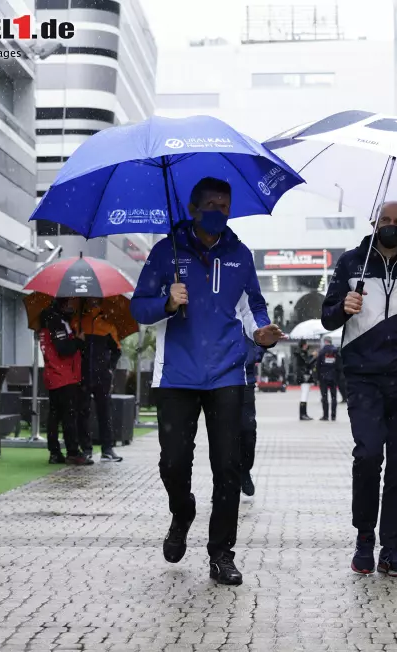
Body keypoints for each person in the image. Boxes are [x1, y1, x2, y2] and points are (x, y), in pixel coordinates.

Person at [130, 177, 283, 586]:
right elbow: (137, 309)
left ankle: (222, 554)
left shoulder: (239, 254)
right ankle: (182, 513)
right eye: (212, 203)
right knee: (173, 463)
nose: (220, 210)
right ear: (194, 208)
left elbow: (254, 308)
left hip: (227, 374)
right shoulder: (166, 252)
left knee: (228, 468)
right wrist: (166, 300)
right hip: (176, 375)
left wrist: (263, 331)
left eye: (225, 204)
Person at [322, 200, 397, 578]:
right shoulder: (350, 263)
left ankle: (391, 548)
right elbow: (327, 319)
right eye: (385, 220)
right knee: (368, 454)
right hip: (362, 377)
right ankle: (364, 539)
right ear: (374, 222)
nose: (391, 226)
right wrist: (344, 307)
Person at [39, 298, 92, 466]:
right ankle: (72, 452)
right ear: (61, 304)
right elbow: (64, 349)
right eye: (69, 303)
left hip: (55, 375)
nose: (72, 307)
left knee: (55, 415)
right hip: (63, 376)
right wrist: (78, 340)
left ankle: (55, 452)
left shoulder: (51, 321)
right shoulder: (56, 322)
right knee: (69, 415)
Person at [73, 299, 124, 463]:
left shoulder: (108, 325)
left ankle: (107, 449)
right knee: (83, 412)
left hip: (103, 376)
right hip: (82, 374)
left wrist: (110, 368)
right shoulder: (78, 322)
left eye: (96, 300)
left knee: (105, 412)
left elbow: (117, 351)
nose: (93, 302)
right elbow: (72, 348)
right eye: (91, 299)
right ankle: (86, 449)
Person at [240, 341, 262, 497]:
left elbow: (262, 336)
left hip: (245, 382)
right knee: (222, 435)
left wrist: (254, 352)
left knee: (248, 431)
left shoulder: (247, 316)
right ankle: (221, 483)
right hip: (219, 382)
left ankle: (245, 469)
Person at [316, 336, 340, 421]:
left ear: (325, 341)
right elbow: (339, 365)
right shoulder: (336, 351)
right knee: (334, 397)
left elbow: (318, 365)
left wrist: (318, 377)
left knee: (324, 397)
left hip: (323, 377)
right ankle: (333, 415)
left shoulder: (322, 351)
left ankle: (325, 416)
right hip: (333, 377)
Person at [294, 341, 316, 421]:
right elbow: (307, 363)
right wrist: (313, 357)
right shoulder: (301, 353)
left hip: (304, 376)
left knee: (305, 395)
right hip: (304, 376)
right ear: (303, 345)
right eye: (306, 344)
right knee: (304, 395)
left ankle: (304, 414)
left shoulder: (302, 353)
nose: (307, 345)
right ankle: (302, 414)